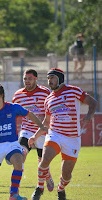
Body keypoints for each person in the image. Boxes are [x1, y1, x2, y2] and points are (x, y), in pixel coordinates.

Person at [29, 68, 97, 200]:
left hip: (72, 138)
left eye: (52, 78)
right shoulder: (48, 99)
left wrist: (89, 115)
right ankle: (39, 188)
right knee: (45, 159)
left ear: (60, 78)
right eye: (48, 79)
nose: (50, 81)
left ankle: (60, 190)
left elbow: (93, 102)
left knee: (66, 174)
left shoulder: (73, 91)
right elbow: (46, 122)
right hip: (55, 134)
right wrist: (35, 136)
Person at [12, 69, 54, 192]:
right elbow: (14, 114)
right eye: (25, 79)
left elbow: (51, 110)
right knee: (20, 154)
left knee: (42, 161)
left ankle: (47, 175)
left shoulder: (45, 92)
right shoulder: (18, 95)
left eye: (29, 79)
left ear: (35, 79)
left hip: (42, 131)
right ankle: (16, 188)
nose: (27, 81)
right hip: (26, 130)